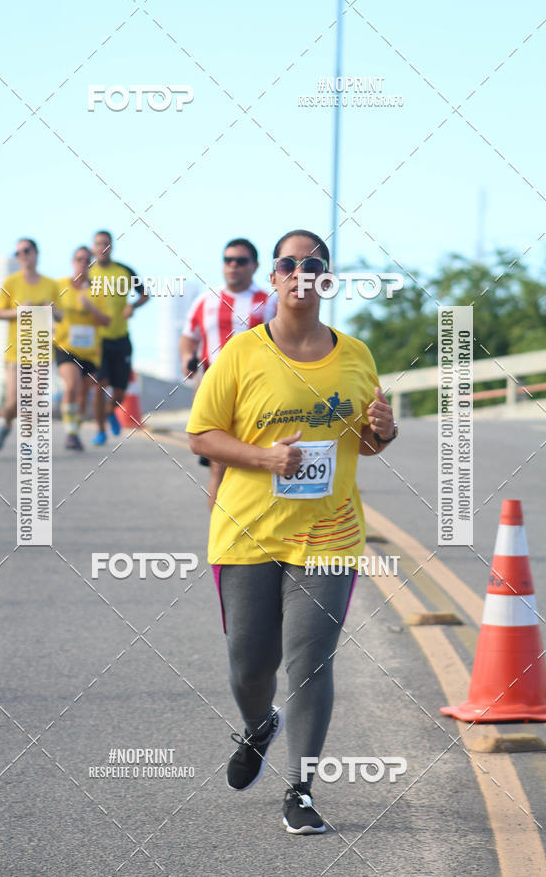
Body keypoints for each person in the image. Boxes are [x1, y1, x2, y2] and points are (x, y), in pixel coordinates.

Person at [186, 229, 397, 834]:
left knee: (310, 663)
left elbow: (367, 443)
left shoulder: (356, 355)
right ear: (273, 279)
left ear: (327, 280)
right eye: (288, 263)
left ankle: (300, 788)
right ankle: (258, 725)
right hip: (247, 532)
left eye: (315, 264)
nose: (301, 271)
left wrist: (383, 430)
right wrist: (265, 459)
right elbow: (202, 436)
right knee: (249, 666)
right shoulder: (241, 353)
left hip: (329, 535)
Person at [180, 238, 277, 508]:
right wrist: (187, 358)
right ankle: (218, 541)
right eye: (228, 260)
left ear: (255, 266)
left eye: (241, 261)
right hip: (214, 388)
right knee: (218, 467)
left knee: (258, 464)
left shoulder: (270, 302)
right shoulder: (206, 300)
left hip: (258, 392)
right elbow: (188, 337)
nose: (233, 266)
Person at [0, 238, 60, 451]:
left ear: (36, 253)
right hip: (16, 351)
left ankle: (27, 443)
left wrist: (51, 310)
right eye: (19, 253)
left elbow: (60, 315)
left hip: (41, 351)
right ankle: (5, 423)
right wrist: (20, 310)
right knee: (14, 400)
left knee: (33, 397)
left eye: (26, 251)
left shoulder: (50, 284)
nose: (23, 255)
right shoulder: (11, 282)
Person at [88, 230, 148, 445]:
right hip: (97, 340)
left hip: (121, 337)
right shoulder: (86, 274)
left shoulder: (124, 271)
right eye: (98, 244)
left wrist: (133, 306)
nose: (102, 248)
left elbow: (145, 294)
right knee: (100, 383)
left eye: (106, 243)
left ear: (111, 247)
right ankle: (100, 430)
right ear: (93, 248)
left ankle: (110, 411)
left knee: (120, 392)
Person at [54, 246, 111, 450]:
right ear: (72, 262)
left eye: (87, 260)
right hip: (65, 347)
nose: (82, 263)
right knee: (72, 383)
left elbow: (106, 321)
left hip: (90, 352)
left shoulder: (99, 290)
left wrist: (91, 308)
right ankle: (70, 432)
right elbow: (46, 308)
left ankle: (75, 431)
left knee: (83, 396)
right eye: (78, 259)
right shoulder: (59, 286)